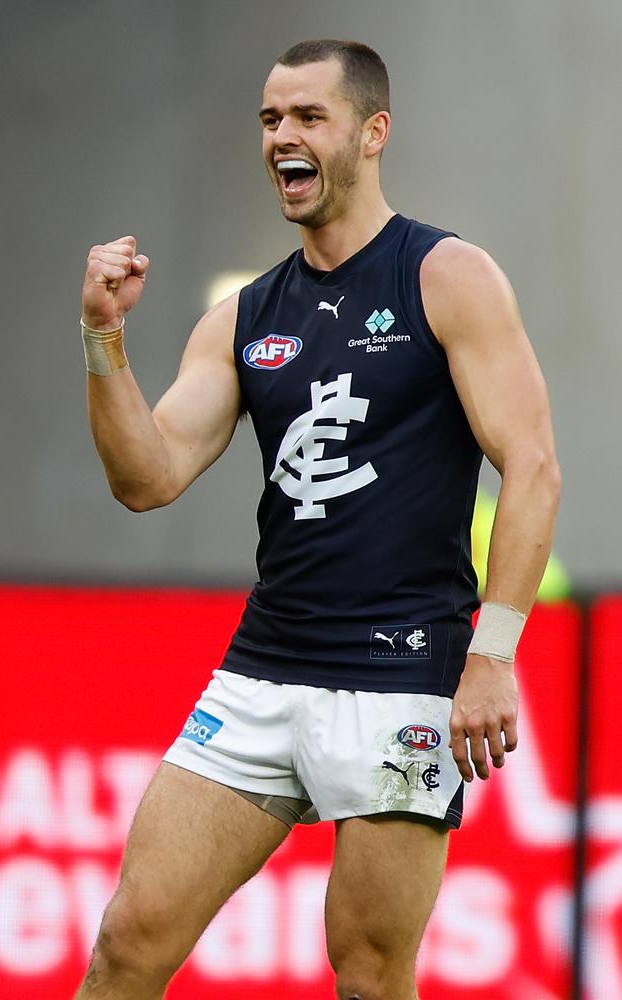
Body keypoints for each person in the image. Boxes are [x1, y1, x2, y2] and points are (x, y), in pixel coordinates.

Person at [75, 39, 560, 1000]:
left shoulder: (446, 274)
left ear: (373, 134)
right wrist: (102, 341)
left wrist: (493, 654)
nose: (282, 138)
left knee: (370, 968)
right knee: (130, 941)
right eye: (269, 120)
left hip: (403, 673)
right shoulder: (247, 314)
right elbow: (147, 476)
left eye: (308, 118)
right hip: (265, 665)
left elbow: (535, 466)